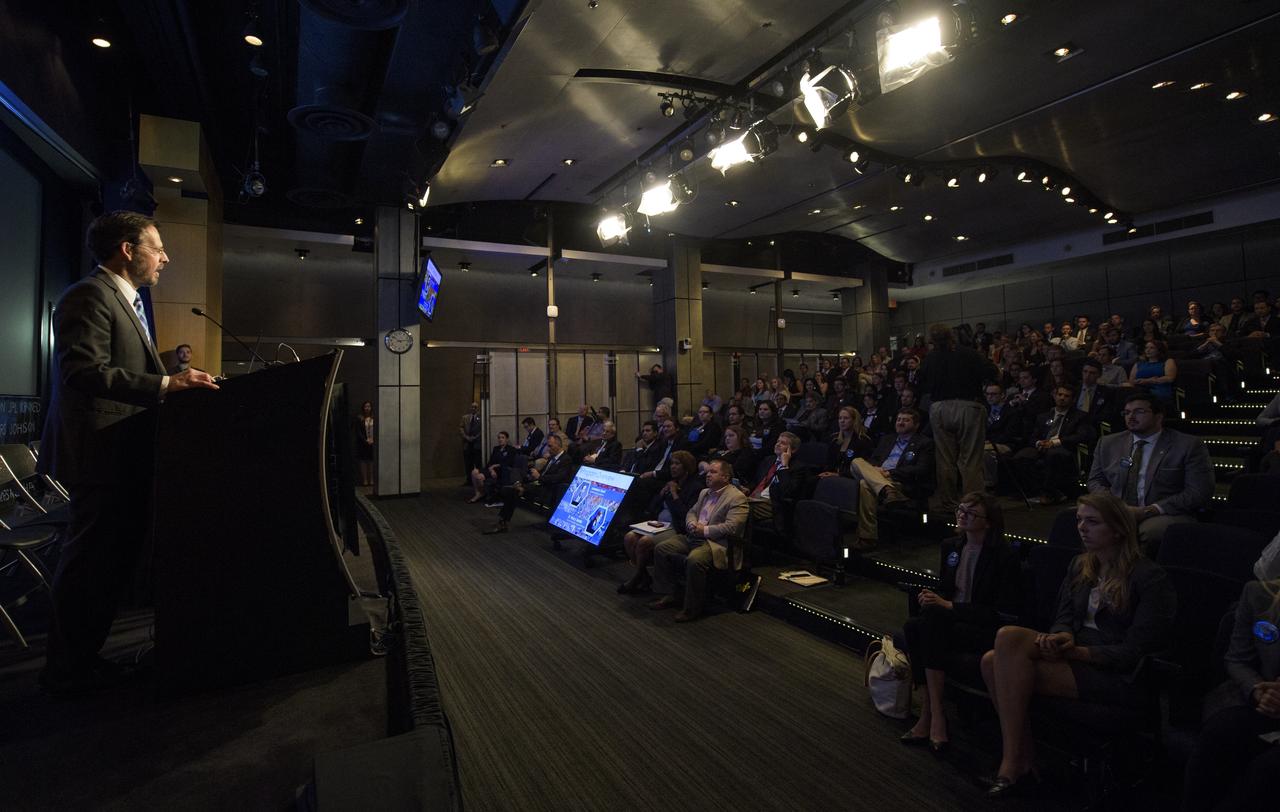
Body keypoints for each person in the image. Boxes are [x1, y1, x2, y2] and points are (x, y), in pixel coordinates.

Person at [37, 211, 220, 694]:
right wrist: (166, 384)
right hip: (99, 454)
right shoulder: (89, 296)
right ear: (127, 249)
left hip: (119, 453)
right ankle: (65, 672)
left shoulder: (125, 300)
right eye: (157, 248)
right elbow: (83, 372)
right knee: (88, 564)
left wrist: (173, 381)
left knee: (106, 563)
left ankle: (83, 660)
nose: (165, 258)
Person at [978, 492, 1176, 797]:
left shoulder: (1149, 577)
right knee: (999, 649)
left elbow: (1136, 651)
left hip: (1119, 674)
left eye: (1093, 522)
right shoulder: (1080, 565)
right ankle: (1021, 759)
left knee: (996, 660)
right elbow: (1064, 618)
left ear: (1118, 529)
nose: (1082, 528)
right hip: (1075, 656)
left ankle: (1015, 762)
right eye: (1080, 520)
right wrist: (1062, 637)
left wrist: (1079, 652)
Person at [901, 493, 1019, 752]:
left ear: (988, 522)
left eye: (971, 513)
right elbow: (947, 589)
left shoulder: (1003, 555)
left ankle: (932, 715)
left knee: (928, 622)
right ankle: (932, 711)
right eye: (960, 510)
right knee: (916, 625)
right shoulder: (952, 546)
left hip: (982, 627)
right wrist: (931, 597)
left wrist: (948, 606)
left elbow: (1001, 613)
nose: (962, 516)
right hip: (950, 621)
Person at [1182, 578, 1280, 811]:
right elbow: (1237, 660)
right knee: (1218, 735)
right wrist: (1258, 690)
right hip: (1269, 703)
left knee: (1265, 772)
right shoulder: (1260, 593)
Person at [1086, 392, 1214, 547]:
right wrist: (1114, 505)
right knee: (1078, 521)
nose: (1131, 417)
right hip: (1118, 510)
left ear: (1158, 417)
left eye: (1139, 411)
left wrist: (1150, 510)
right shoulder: (1108, 443)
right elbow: (1095, 480)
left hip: (1165, 512)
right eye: (1127, 412)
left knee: (1148, 532)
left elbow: (1199, 492)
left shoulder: (1188, 445)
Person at [648, 459, 750, 623]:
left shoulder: (737, 498)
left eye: (713, 472)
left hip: (716, 543)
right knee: (662, 548)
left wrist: (705, 530)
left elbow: (732, 528)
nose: (708, 475)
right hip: (694, 536)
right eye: (708, 472)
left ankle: (692, 608)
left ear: (725, 477)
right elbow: (691, 512)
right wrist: (691, 524)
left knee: (695, 559)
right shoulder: (704, 492)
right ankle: (669, 593)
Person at [916, 322, 998, 511]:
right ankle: (972, 502)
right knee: (971, 459)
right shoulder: (969, 354)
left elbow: (921, 382)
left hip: (939, 408)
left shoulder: (930, 358)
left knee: (945, 459)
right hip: (968, 406)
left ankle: (947, 501)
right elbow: (992, 372)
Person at [617, 451, 703, 595]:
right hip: (658, 524)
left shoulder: (695, 487)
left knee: (644, 541)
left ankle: (638, 577)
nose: (673, 467)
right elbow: (652, 508)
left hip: (677, 528)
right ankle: (643, 576)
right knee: (629, 537)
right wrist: (662, 494)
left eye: (677, 464)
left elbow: (686, 515)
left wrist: (674, 494)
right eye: (671, 464)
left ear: (686, 466)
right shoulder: (670, 483)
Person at [846, 409, 935, 547]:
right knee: (856, 461)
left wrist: (890, 473)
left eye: (906, 420)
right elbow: (874, 459)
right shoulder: (887, 439)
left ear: (916, 425)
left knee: (864, 484)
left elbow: (921, 469)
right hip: (880, 478)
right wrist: (876, 469)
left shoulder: (924, 443)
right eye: (899, 419)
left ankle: (868, 538)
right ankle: (887, 489)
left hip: (900, 482)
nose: (900, 423)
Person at [1010, 384, 1096, 505]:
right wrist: (1039, 442)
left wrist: (1054, 442)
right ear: (1055, 396)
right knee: (1021, 457)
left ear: (1073, 399)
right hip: (1042, 446)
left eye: (1066, 396)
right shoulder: (1043, 416)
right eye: (1060, 394)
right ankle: (1034, 491)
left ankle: (1049, 493)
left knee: (1053, 455)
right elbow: (1033, 437)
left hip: (1064, 447)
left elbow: (1081, 436)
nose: (1062, 398)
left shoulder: (1080, 416)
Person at [483, 432, 574, 534]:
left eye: (550, 446)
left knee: (511, 492)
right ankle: (517, 489)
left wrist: (539, 477)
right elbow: (545, 472)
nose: (548, 449)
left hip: (549, 488)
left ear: (558, 445)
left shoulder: (566, 459)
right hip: (539, 484)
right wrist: (536, 474)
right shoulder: (552, 458)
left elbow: (560, 477)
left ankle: (503, 521)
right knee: (515, 477)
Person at [822, 405, 873, 478]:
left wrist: (839, 475)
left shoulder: (863, 441)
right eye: (840, 418)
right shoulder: (835, 439)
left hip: (849, 478)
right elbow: (829, 463)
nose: (842, 421)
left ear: (854, 421)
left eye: (846, 418)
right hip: (831, 476)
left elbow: (862, 469)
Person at [469, 430, 516, 503]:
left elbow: (508, 463)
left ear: (507, 439)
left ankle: (483, 492)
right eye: (499, 438)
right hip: (491, 469)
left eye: (502, 437)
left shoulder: (511, 449)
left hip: (501, 470)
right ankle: (478, 493)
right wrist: (491, 469)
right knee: (474, 472)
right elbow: (491, 461)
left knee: (479, 477)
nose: (500, 439)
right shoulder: (496, 448)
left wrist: (495, 466)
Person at [1128, 339, 1177, 408]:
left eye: (1152, 348)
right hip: (1139, 389)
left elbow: (1170, 378)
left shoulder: (1168, 361)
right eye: (1146, 348)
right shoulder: (1138, 364)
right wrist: (1141, 382)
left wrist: (1148, 381)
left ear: (1159, 350)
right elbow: (1131, 381)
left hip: (1159, 389)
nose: (1148, 350)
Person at [459, 402, 482, 486]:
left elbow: (483, 429)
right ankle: (469, 480)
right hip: (467, 444)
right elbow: (461, 428)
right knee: (468, 463)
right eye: (472, 407)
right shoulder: (465, 417)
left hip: (477, 444)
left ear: (478, 408)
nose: (473, 408)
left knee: (478, 463)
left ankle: (478, 480)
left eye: (475, 407)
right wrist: (466, 437)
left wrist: (475, 437)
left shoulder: (481, 417)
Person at [354, 400, 375, 486]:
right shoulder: (359, 418)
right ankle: (365, 480)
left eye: (369, 406)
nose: (367, 408)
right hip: (362, 443)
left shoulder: (374, 417)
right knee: (363, 461)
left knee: (371, 461)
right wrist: (365, 440)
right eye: (366, 406)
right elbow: (358, 431)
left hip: (373, 443)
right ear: (363, 408)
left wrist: (373, 440)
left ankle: (372, 479)